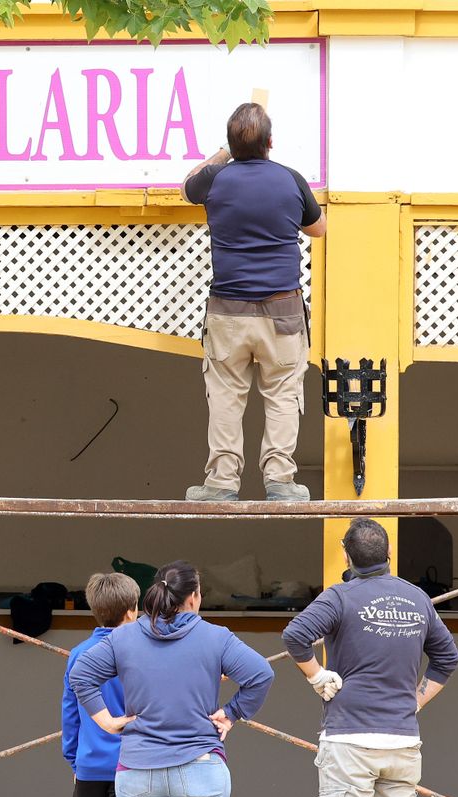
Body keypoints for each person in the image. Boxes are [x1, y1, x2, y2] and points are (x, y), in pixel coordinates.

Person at [68, 561, 273, 797]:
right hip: (200, 764)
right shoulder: (215, 637)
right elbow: (261, 675)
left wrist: (106, 721)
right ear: (193, 597)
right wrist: (233, 713)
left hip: (137, 769)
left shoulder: (125, 637)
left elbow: (81, 674)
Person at [279, 518, 458, 797]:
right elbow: (448, 658)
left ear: (346, 554)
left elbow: (296, 636)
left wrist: (317, 676)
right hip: (401, 743)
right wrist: (417, 701)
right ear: (390, 552)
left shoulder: (340, 597)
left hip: (349, 741)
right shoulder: (416, 599)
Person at [181, 102, 327, 503]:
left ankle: (221, 484)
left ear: (230, 145)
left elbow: (187, 184)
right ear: (270, 143)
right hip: (283, 309)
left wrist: (223, 154)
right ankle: (280, 481)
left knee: (227, 395)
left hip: (228, 310)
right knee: (281, 393)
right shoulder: (289, 180)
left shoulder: (215, 179)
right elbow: (318, 229)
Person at [58, 572, 137, 797]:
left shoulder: (79, 653)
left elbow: (70, 714)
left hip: (89, 766)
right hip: (130, 767)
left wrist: (75, 760)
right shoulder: (139, 654)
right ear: (132, 611)